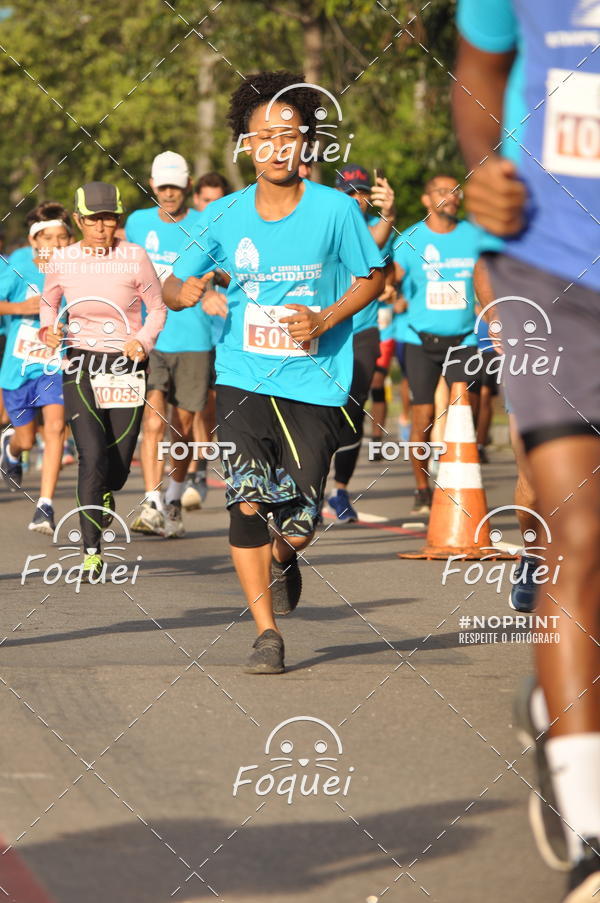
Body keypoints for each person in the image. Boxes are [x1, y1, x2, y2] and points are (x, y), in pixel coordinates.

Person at [164, 70, 385, 674]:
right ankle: (266, 634)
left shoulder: (337, 211)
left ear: (306, 142)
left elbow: (374, 278)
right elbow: (172, 280)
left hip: (315, 382)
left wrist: (325, 317)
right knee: (246, 502)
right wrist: (183, 290)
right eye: (264, 136)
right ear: (247, 144)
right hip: (242, 378)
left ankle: (287, 557)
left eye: (288, 135)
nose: (276, 146)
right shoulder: (225, 215)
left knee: (299, 518)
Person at [455, 3, 600, 900]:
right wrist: (483, 166)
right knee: (579, 528)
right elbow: (480, 72)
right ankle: (593, 830)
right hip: (547, 265)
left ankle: (557, 710)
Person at [40, 181, 166, 579]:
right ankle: (91, 549)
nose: (101, 226)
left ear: (117, 220)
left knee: (118, 463)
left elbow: (158, 308)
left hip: (126, 365)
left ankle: (107, 491)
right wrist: (50, 330)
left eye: (109, 218)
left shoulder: (134, 257)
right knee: (91, 456)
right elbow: (49, 302)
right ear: (78, 221)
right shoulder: (63, 259)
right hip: (80, 363)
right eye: (93, 219)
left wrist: (143, 341)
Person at [125, 152, 208, 538]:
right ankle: (151, 501)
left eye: (175, 186)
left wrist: (215, 287)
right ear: (153, 186)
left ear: (186, 186)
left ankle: (174, 495)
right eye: (163, 187)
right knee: (153, 419)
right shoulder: (138, 223)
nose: (169, 193)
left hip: (195, 337)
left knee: (185, 425)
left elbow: (223, 268)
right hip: (151, 336)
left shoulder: (205, 223)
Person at [392, 175, 483, 514]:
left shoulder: (473, 236)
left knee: (463, 408)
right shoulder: (411, 239)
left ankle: (459, 479)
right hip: (419, 338)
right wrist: (389, 287)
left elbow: (488, 275)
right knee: (424, 414)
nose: (451, 196)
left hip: (464, 337)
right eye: (442, 191)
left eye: (455, 190)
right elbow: (391, 277)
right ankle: (420, 488)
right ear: (426, 200)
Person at [328, 163, 396, 522]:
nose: (356, 199)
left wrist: (390, 213)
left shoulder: (372, 231)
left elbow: (377, 242)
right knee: (318, 408)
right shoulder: (325, 227)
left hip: (363, 332)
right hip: (325, 329)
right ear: (336, 193)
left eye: (362, 193)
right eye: (349, 192)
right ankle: (303, 485)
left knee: (354, 412)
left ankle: (339, 490)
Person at [0, 203, 71, 533]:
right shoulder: (17, 265)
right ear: (34, 242)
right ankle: (11, 448)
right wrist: (19, 307)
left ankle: (45, 505)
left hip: (55, 362)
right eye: (48, 238)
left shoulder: (78, 268)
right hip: (18, 365)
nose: (56, 244)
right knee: (26, 440)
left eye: (62, 237)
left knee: (56, 426)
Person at [183, 171, 232, 512]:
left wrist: (218, 281)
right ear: (196, 200)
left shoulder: (232, 232)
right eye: (205, 200)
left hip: (227, 335)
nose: (210, 207)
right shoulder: (187, 232)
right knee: (194, 408)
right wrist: (204, 294)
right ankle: (196, 471)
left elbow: (237, 275)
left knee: (213, 408)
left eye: (218, 201)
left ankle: (202, 466)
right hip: (192, 336)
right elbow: (183, 276)